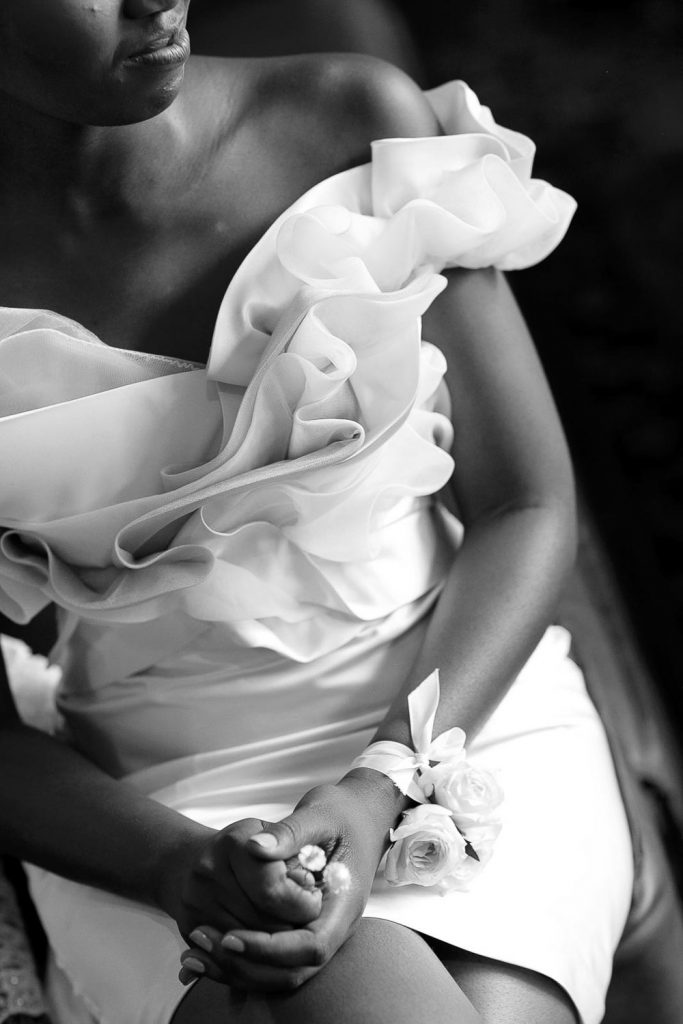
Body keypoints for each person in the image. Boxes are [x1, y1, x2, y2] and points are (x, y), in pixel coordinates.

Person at [0, 2, 633, 1023]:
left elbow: (525, 502)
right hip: (150, 806)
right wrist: (176, 864)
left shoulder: (347, 116)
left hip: (457, 710)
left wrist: (386, 776)